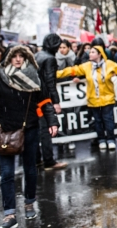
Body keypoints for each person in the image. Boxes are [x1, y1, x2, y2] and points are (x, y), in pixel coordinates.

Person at [0, 45, 59, 228]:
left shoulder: (34, 75)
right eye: (15, 56)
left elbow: (45, 101)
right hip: (6, 132)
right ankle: (9, 215)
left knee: (30, 169)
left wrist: (52, 122)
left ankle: (29, 202)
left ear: (27, 58)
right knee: (6, 173)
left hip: (29, 129)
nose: (18, 59)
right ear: (8, 58)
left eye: (22, 56)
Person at [57, 46, 117, 150]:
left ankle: (111, 140)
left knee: (108, 120)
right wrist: (55, 74)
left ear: (99, 54)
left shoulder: (110, 65)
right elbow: (72, 71)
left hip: (108, 99)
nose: (90, 54)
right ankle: (101, 140)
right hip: (93, 100)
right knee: (97, 121)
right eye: (90, 52)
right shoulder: (86, 66)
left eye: (92, 52)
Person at [35, 34, 68, 171]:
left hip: (34, 98)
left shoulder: (38, 55)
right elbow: (50, 81)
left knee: (37, 131)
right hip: (44, 99)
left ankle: (37, 160)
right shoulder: (49, 59)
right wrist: (55, 101)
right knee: (45, 130)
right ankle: (49, 161)